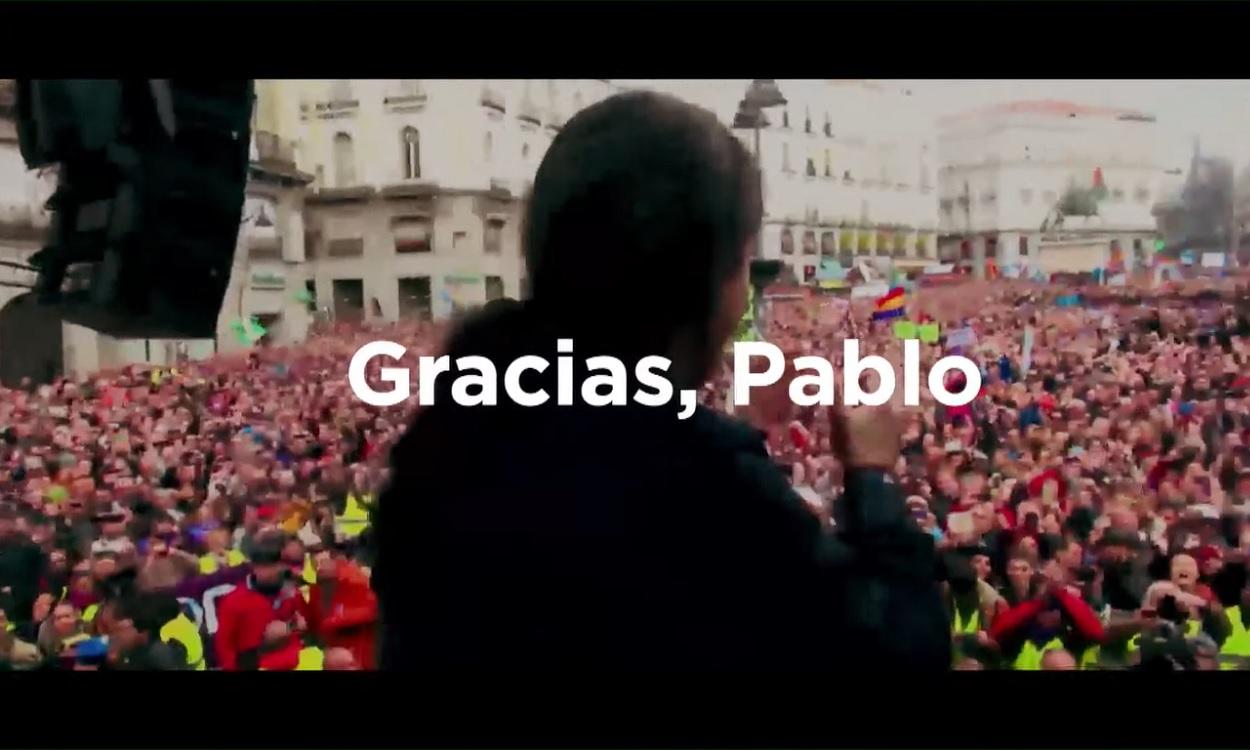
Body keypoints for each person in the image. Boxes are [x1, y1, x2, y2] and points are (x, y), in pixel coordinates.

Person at [375, 91, 948, 671]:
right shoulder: (701, 487)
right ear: (699, 277)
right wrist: (871, 478)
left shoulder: (447, 444)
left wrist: (728, 429)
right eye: (744, 265)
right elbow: (896, 649)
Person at [213, 532, 303, 670]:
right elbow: (225, 647)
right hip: (255, 664)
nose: (267, 572)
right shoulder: (234, 601)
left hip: (291, 660)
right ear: (253, 568)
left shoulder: (291, 593)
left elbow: (300, 629)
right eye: (262, 566)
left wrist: (290, 628)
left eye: (272, 565)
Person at [304, 543, 377, 670]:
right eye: (314, 556)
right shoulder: (314, 591)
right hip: (331, 655)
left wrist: (336, 620)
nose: (319, 563)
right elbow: (312, 625)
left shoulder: (356, 583)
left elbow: (373, 611)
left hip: (356, 655)